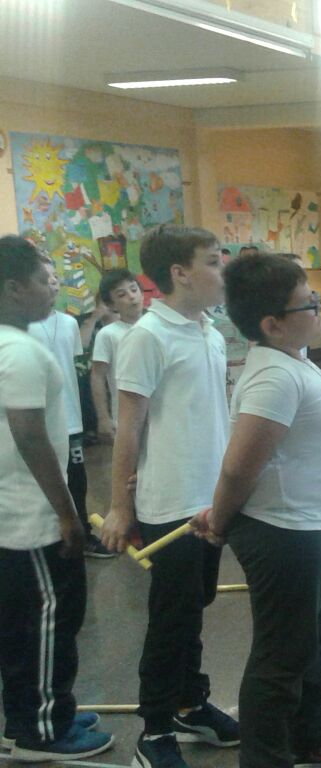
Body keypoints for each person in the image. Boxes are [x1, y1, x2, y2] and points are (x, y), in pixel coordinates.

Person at [188, 254, 321, 768]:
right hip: (284, 532)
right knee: (282, 657)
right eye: (308, 304)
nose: (318, 310)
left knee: (313, 644)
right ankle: (266, 758)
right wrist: (220, 520)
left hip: (312, 525)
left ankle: (311, 738)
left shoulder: (293, 361)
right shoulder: (273, 377)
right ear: (272, 324)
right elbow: (238, 468)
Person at [99, 225, 239, 768]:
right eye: (213, 262)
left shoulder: (211, 331)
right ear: (180, 273)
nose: (222, 271)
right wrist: (120, 505)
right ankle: (155, 731)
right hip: (171, 502)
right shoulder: (148, 337)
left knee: (196, 606)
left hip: (211, 498)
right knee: (171, 617)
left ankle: (189, 704)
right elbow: (128, 427)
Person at [0, 236, 114, 762]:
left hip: (11, 513)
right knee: (49, 619)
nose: (54, 288)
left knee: (20, 623)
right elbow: (28, 435)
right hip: (30, 517)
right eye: (44, 280)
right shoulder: (21, 352)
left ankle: (32, 712)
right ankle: (41, 729)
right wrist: (68, 513)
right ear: (13, 288)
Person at [27, 294, 101, 558]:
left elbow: (73, 364)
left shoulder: (69, 323)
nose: (50, 285)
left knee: (76, 479)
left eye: (52, 279)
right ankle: (52, 537)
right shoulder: (21, 327)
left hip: (70, 417)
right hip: (39, 420)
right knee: (45, 479)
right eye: (43, 279)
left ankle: (84, 535)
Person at [90, 269, 143, 446]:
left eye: (134, 289)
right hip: (126, 416)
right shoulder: (108, 334)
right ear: (112, 305)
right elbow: (97, 376)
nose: (132, 297)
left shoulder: (158, 327)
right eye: (122, 294)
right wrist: (103, 418)